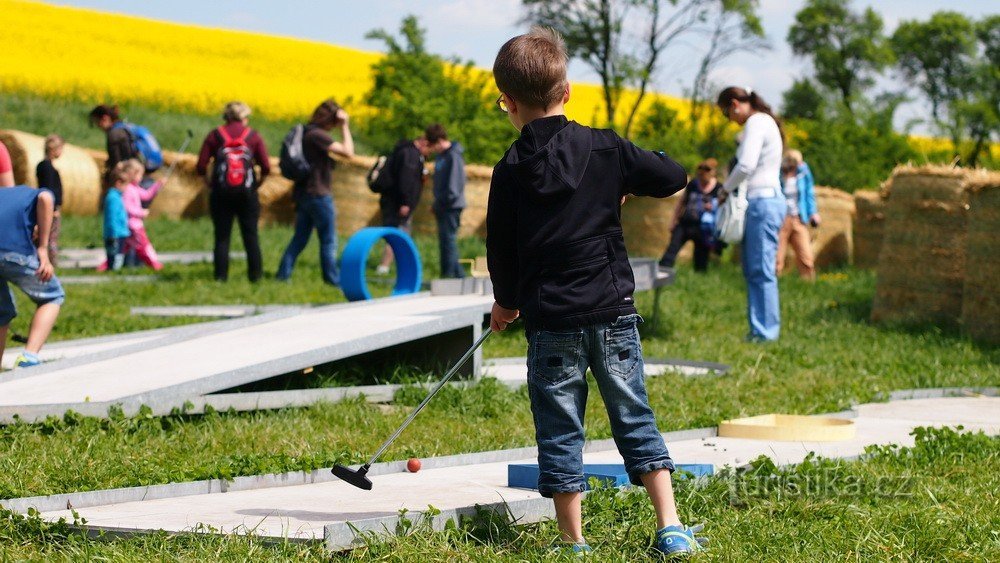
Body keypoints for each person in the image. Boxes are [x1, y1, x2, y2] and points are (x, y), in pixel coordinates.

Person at [487, 28, 705, 557]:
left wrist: (506, 302)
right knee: (633, 413)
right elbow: (673, 175)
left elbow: (503, 249)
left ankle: (572, 541)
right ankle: (670, 526)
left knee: (560, 428)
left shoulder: (509, 170)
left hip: (550, 320)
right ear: (567, 91)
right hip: (612, 314)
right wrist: (623, 177)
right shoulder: (606, 147)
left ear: (508, 104)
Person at [717, 86, 787, 342]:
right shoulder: (764, 122)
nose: (731, 120)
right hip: (764, 202)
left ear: (735, 104)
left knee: (760, 270)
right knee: (756, 269)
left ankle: (765, 333)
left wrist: (725, 189)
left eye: (727, 114)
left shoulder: (756, 122)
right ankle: (759, 329)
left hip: (763, 202)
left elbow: (746, 165)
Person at [276, 100, 354, 285]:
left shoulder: (306, 132)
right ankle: (332, 279)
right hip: (318, 194)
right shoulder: (317, 135)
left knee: (300, 238)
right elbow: (348, 152)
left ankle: (283, 275)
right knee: (328, 240)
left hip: (304, 194)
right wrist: (345, 126)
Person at [0, 152, 64, 369]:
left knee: (2, 312)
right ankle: (29, 356)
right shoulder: (34, 193)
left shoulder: (7, 196)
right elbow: (46, 199)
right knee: (52, 296)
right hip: (13, 252)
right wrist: (43, 249)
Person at [196, 101, 270, 282]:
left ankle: (221, 277)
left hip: (221, 193)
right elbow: (266, 166)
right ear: (243, 117)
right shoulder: (253, 136)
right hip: (247, 194)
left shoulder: (215, 135)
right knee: (251, 235)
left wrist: (209, 182)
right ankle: (256, 277)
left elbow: (200, 166)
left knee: (222, 237)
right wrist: (257, 183)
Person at [376, 135, 433, 275]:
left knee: (399, 233)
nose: (429, 154)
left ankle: (397, 267)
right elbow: (406, 180)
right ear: (424, 143)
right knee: (397, 233)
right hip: (398, 203)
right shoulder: (411, 154)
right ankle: (385, 267)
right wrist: (405, 202)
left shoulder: (403, 151)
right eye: (429, 150)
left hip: (392, 200)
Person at [657, 158, 722, 273]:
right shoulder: (693, 184)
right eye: (700, 173)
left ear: (713, 172)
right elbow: (681, 203)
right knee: (671, 251)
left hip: (704, 228)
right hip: (685, 224)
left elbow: (723, 209)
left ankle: (700, 281)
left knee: (701, 259)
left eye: (706, 172)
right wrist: (673, 221)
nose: (702, 176)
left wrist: (713, 207)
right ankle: (662, 273)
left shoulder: (719, 188)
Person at [428, 124, 467, 279]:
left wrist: (438, 203)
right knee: (446, 242)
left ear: (439, 140)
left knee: (448, 241)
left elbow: (454, 187)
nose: (433, 149)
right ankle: (459, 276)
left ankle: (448, 275)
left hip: (451, 206)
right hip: (442, 205)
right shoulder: (441, 156)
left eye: (433, 145)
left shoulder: (453, 156)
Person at [777, 149, 820, 280]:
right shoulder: (778, 174)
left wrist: (813, 213)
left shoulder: (803, 173)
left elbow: (809, 194)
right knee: (776, 258)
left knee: (806, 256)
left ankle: (808, 284)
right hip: (781, 220)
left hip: (798, 219)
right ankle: (773, 285)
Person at [122, 159, 164, 270]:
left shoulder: (135, 188)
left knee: (124, 248)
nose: (141, 177)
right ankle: (154, 264)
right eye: (140, 174)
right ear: (132, 174)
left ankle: (108, 266)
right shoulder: (128, 189)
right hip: (133, 225)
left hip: (133, 224)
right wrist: (141, 213)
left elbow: (146, 195)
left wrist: (158, 185)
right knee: (144, 246)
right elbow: (128, 207)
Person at [89, 104, 137, 187]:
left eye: (97, 122)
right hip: (140, 172)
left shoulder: (113, 134)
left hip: (130, 177)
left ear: (105, 118)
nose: (98, 126)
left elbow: (116, 164)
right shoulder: (124, 127)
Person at [35, 135, 64, 266]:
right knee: (50, 236)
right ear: (54, 149)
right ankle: (51, 262)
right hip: (50, 207)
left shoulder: (46, 166)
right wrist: (52, 209)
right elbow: (48, 189)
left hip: (50, 206)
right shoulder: (46, 167)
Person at [102, 163, 131, 271]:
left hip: (120, 232)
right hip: (115, 233)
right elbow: (112, 217)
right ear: (118, 183)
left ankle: (115, 269)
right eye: (125, 185)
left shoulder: (117, 196)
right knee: (115, 255)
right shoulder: (113, 198)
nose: (126, 188)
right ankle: (113, 271)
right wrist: (113, 232)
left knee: (118, 254)